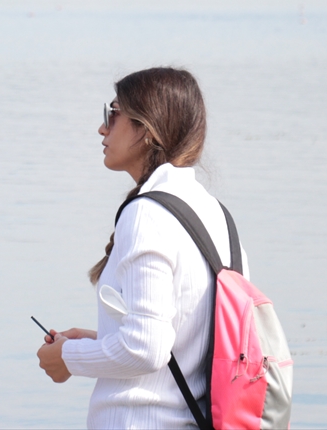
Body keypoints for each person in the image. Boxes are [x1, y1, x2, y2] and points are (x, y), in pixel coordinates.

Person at [36, 67, 248, 428]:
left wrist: (68, 357)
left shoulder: (148, 215)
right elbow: (186, 342)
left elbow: (145, 348)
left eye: (113, 114)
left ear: (146, 129)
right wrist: (98, 341)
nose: (102, 128)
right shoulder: (216, 214)